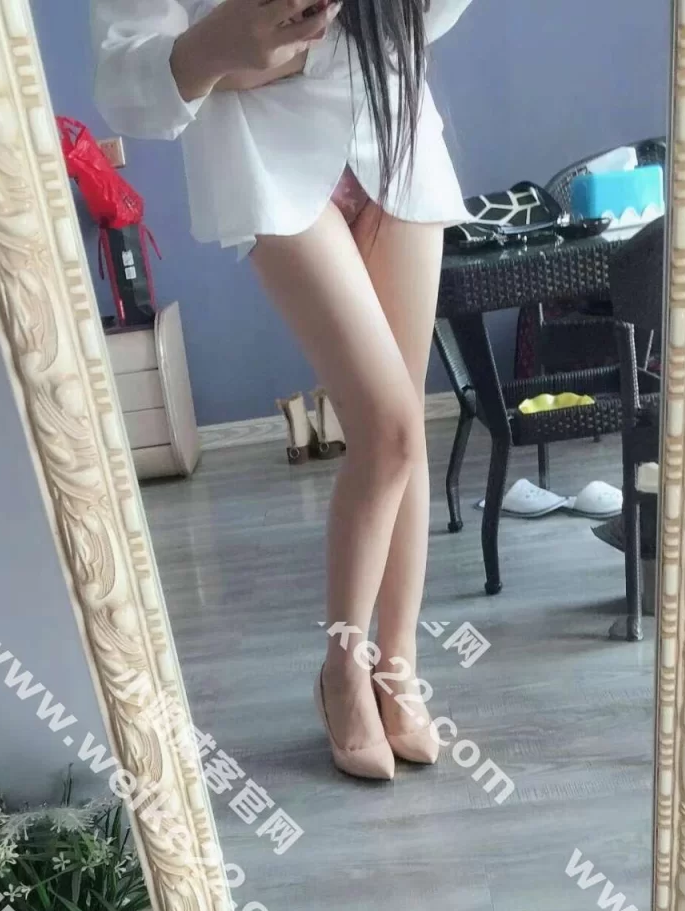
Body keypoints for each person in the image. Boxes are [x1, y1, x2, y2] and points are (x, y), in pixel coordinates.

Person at [91, 0, 474, 780]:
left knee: (402, 429)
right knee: (390, 426)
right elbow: (125, 77)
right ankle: (342, 671)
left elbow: (429, 15)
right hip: (265, 157)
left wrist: (271, 63)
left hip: (394, 131)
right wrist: (216, 50)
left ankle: (396, 666)